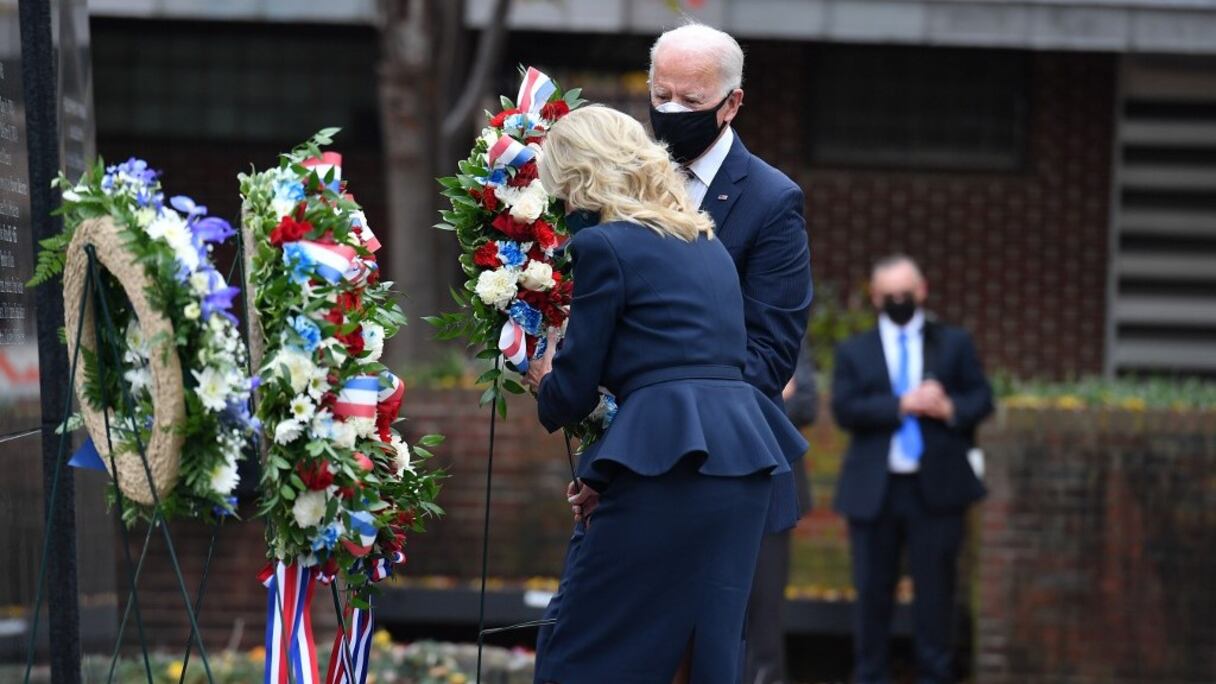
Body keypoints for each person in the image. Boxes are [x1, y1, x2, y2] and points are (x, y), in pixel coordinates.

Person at [521, 105, 808, 683]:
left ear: (578, 175)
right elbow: (688, 373)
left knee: (583, 646)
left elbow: (575, 392)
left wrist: (541, 379)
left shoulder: (605, 246)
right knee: (698, 652)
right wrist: (605, 477)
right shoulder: (706, 244)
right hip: (740, 466)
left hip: (669, 472)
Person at [647, 23, 815, 683]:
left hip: (714, 470)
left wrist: (664, 414)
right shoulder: (627, 185)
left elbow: (769, 354)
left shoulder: (772, 202)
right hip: (626, 469)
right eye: (660, 96)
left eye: (690, 102)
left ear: (732, 104)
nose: (670, 113)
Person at [831, 255, 994, 684]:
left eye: (906, 294)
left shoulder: (953, 343)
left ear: (922, 292)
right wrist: (901, 404)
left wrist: (949, 407)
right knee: (872, 597)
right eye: (889, 296)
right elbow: (845, 409)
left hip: (936, 489)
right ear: (875, 297)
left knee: (936, 598)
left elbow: (982, 399)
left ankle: (935, 675)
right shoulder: (855, 350)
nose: (899, 302)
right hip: (874, 491)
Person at [745, 338, 817, 684]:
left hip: (775, 485)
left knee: (767, 608)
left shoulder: (786, 336)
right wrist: (774, 394)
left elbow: (807, 403)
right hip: (716, 483)